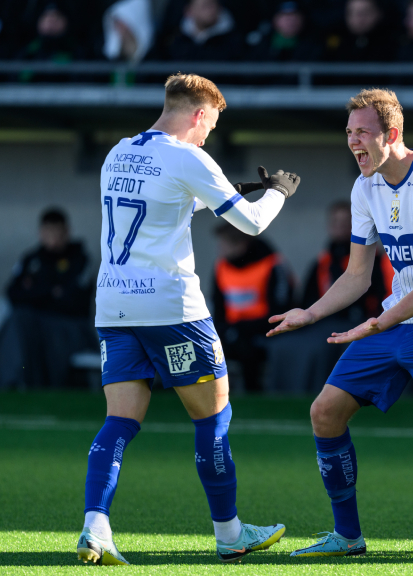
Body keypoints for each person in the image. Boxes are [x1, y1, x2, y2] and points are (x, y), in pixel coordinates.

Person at [79, 73, 300, 565]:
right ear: (199, 114)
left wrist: (227, 189)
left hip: (114, 306)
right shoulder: (189, 156)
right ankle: (229, 533)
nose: (209, 136)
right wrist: (278, 192)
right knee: (213, 417)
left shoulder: (119, 152)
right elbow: (252, 222)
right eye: (211, 125)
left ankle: (96, 527)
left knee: (119, 421)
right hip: (172, 309)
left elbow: (166, 200)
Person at [271, 89, 413, 563]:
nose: (354, 142)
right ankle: (348, 535)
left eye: (363, 133)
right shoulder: (364, 187)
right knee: (324, 413)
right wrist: (311, 313)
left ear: (392, 134)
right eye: (350, 132)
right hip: (397, 317)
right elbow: (358, 275)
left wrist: (375, 324)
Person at [5, 208, 94, 389]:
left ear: (66, 231)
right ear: (41, 232)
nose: (52, 237)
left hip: (69, 326)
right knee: (19, 318)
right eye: (48, 231)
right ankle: (14, 381)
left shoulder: (80, 259)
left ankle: (30, 383)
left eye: (57, 231)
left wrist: (34, 292)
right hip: (35, 324)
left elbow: (74, 302)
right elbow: (12, 293)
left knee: (24, 320)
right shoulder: (31, 260)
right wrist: (50, 292)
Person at [212, 224, 293, 392]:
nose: (220, 249)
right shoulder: (221, 266)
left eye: (224, 244)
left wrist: (242, 328)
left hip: (265, 331)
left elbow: (281, 309)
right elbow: (217, 307)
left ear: (241, 244)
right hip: (231, 330)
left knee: (247, 349)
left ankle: (254, 392)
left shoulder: (272, 264)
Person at [301, 201, 389, 323]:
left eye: (345, 222)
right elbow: (307, 301)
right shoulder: (322, 263)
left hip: (366, 323)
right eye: (335, 221)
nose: (340, 226)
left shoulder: (376, 260)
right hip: (325, 327)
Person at [157, 0, 243, 61]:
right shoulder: (174, 41)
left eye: (212, 5)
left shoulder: (235, 42)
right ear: (189, 10)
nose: (210, 10)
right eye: (205, 6)